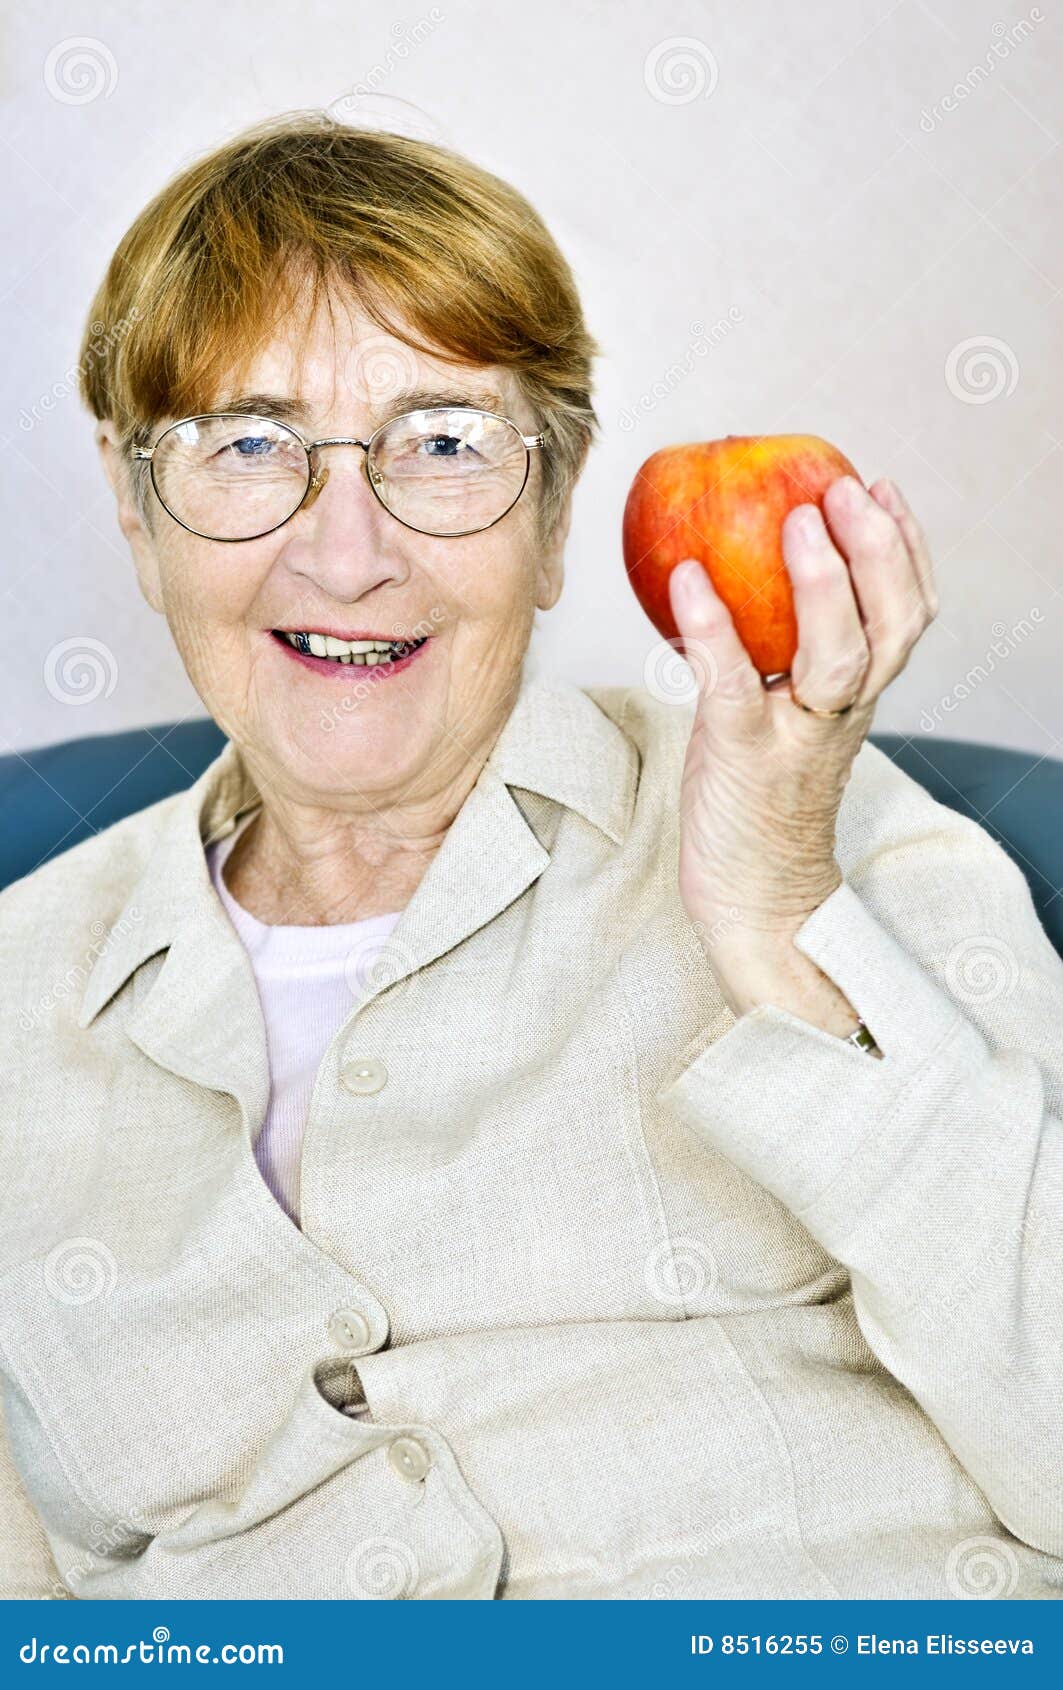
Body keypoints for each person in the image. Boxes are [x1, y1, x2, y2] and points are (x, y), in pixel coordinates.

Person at [2, 112, 1061, 1602]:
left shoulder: (851, 839)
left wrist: (780, 919)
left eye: (442, 444)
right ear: (134, 508)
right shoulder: (15, 996)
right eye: (250, 444)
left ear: (558, 515)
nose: (348, 550)